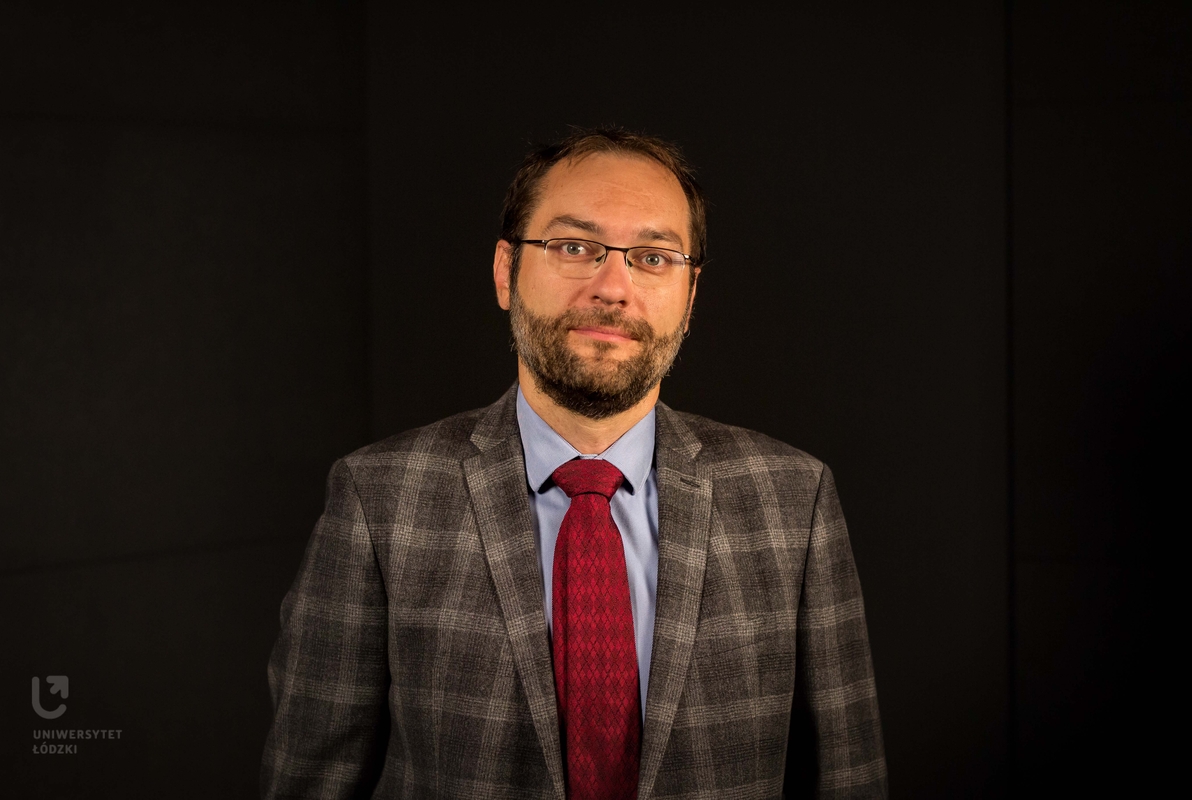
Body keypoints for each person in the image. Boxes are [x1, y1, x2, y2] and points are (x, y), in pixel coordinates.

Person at [261, 127, 887, 799]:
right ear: (505, 271)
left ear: (690, 296)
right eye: (573, 247)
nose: (613, 287)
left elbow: (846, 777)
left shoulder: (795, 500)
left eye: (653, 257)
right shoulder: (379, 499)